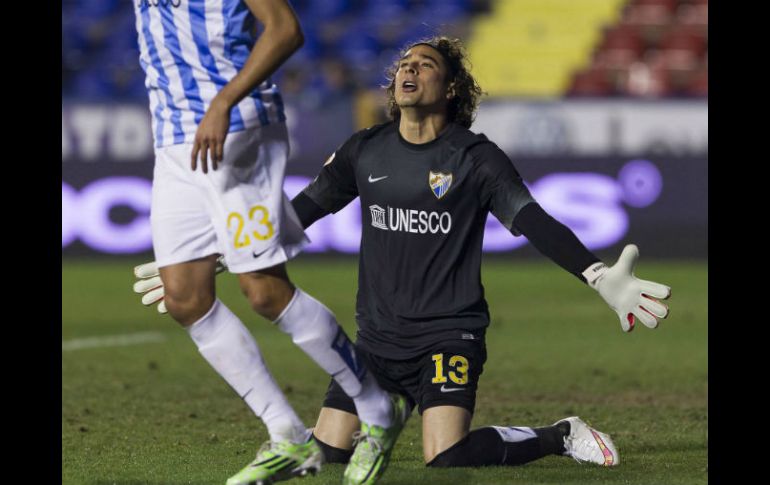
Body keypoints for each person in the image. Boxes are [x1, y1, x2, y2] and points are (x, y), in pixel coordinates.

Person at [135, 35, 670, 473]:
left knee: (446, 457)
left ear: (451, 85)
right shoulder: (365, 149)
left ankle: (559, 434)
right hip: (377, 338)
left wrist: (598, 275)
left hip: (449, 331)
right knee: (327, 455)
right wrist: (215, 257)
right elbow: (301, 212)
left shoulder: (476, 158)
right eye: (404, 64)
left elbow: (533, 221)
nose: (409, 71)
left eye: (426, 64)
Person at [130, 2, 407, 484]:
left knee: (264, 291)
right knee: (184, 299)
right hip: (173, 142)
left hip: (236, 128)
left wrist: (222, 102)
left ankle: (378, 409)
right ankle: (288, 435)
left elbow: (285, 29)